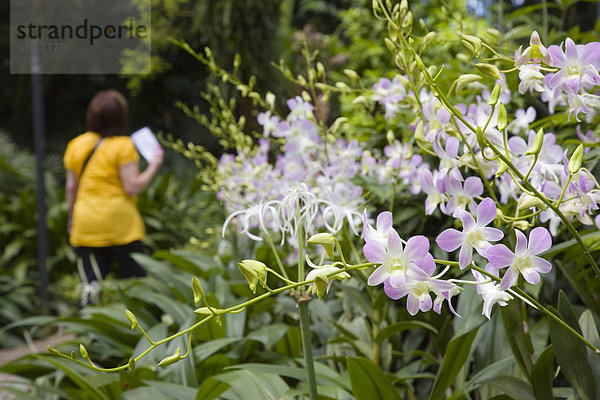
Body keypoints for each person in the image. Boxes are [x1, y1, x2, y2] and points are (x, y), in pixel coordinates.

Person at [64, 90, 163, 299]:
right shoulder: (123, 146)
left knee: (91, 287)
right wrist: (154, 165)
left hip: (87, 224)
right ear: (120, 116)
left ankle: (90, 328)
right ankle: (139, 327)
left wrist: (72, 218)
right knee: (135, 283)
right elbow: (132, 186)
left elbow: (71, 187)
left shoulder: (76, 144)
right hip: (122, 226)